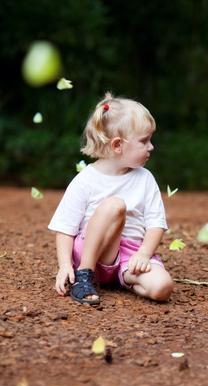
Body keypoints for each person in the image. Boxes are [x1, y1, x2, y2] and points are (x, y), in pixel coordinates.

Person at [48, 92, 174, 305]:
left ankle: (123, 278)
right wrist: (64, 266)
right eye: (144, 141)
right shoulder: (85, 180)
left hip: (127, 256)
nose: (151, 147)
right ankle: (84, 277)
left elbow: (155, 224)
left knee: (162, 287)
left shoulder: (145, 179)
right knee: (115, 205)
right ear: (117, 145)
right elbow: (65, 228)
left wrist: (143, 254)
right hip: (92, 253)